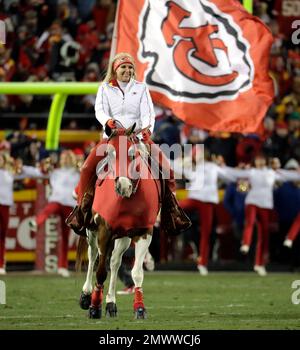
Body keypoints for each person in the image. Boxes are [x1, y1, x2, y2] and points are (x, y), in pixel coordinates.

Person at [71, 52, 190, 235]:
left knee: (166, 167)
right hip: (112, 138)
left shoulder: (141, 88)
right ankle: (81, 208)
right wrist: (108, 121)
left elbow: (148, 113)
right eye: (123, 67)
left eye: (130, 67)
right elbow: (99, 110)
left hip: (138, 137)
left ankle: (172, 208)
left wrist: (147, 129)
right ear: (115, 69)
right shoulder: (105, 88)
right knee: (87, 167)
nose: (127, 70)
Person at [224, 155, 300, 276]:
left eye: (262, 159)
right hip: (253, 201)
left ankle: (259, 264)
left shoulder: (272, 173)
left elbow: (289, 176)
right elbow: (238, 183)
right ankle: (246, 244)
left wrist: (289, 172)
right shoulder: (251, 172)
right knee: (250, 222)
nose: (260, 161)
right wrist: (226, 169)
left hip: (265, 205)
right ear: (254, 162)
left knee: (264, 234)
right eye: (258, 159)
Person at [29, 150, 80, 277]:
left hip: (70, 205)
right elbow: (38, 172)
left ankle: (62, 266)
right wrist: (44, 166)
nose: (67, 160)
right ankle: (36, 222)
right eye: (64, 157)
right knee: (48, 210)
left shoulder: (78, 172)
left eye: (69, 157)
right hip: (57, 201)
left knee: (65, 235)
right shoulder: (55, 172)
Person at [0, 153, 42, 275]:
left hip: (5, 205)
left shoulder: (11, 172)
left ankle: (1, 264)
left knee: (2, 235)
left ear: (4, 161)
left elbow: (30, 173)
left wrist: (22, 166)